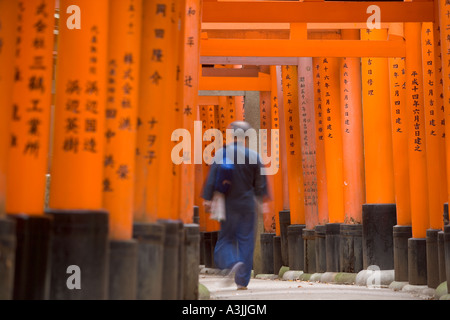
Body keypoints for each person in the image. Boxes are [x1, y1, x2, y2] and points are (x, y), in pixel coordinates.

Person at [202, 121, 268, 290]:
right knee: (246, 242)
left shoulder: (222, 154)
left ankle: (232, 262)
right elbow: (260, 184)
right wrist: (261, 202)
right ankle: (242, 282)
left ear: (232, 134)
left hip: (228, 204)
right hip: (247, 205)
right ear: (246, 136)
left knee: (225, 240)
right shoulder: (254, 156)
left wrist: (207, 198)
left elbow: (212, 178)